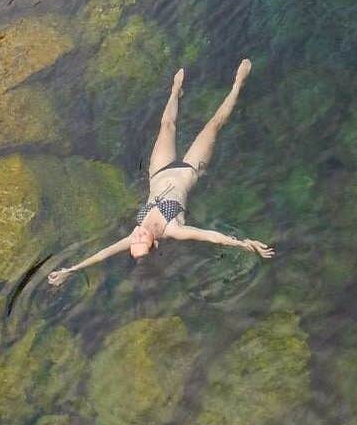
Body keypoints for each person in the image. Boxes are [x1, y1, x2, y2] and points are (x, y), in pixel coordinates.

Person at [46, 59, 274, 285]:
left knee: (166, 125)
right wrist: (246, 243)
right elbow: (211, 236)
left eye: (133, 240)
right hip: (190, 170)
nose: (136, 235)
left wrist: (71, 269)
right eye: (141, 239)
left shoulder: (136, 234)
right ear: (154, 243)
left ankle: (176, 91)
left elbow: (102, 254)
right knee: (213, 125)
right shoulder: (174, 230)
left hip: (159, 171)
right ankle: (238, 84)